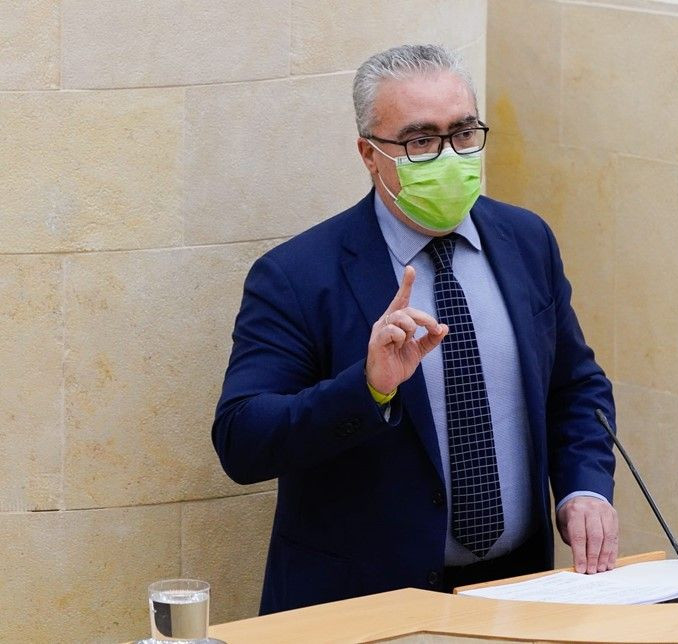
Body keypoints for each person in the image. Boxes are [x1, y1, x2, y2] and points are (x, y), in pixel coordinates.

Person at [212, 44, 617, 615]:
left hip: (516, 593)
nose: (449, 156)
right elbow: (242, 442)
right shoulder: (298, 276)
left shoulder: (526, 240)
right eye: (421, 141)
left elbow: (575, 388)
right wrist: (368, 387)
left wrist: (583, 488)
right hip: (364, 606)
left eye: (464, 133)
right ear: (369, 154)